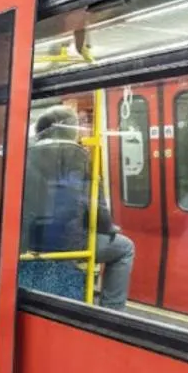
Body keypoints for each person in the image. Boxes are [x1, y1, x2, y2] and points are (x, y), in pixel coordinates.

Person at [20, 105, 135, 308]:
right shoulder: (79, 156)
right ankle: (112, 311)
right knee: (125, 248)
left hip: (27, 240)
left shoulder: (23, 155)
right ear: (69, 130)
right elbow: (96, 208)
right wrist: (108, 228)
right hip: (69, 242)